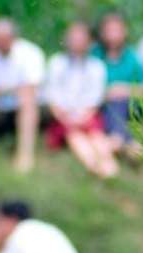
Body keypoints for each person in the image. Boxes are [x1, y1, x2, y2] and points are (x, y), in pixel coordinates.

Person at [45, 22, 117, 179]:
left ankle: (108, 164)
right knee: (75, 136)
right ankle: (93, 164)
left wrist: (84, 116)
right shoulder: (56, 63)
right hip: (63, 117)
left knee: (96, 136)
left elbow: (95, 97)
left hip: (88, 115)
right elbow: (51, 95)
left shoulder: (96, 66)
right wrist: (64, 116)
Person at [0, 18, 44, 173]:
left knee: (26, 101)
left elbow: (31, 87)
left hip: (29, 105)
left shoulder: (30, 52)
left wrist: (2, 91)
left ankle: (25, 155)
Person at [92, 13, 143, 154]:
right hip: (102, 105)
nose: (112, 35)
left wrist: (124, 89)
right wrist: (106, 92)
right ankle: (127, 142)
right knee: (115, 104)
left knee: (120, 102)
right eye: (109, 31)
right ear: (102, 32)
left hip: (130, 106)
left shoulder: (132, 57)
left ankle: (118, 139)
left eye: (116, 30)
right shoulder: (94, 55)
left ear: (124, 31)